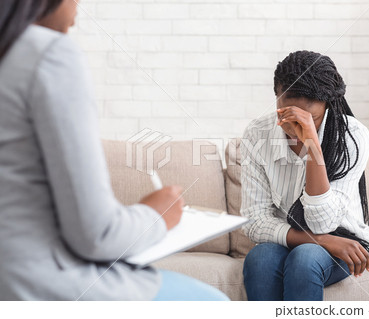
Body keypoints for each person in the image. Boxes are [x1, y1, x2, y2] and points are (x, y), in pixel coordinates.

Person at [0, 0, 228, 301]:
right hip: (36, 286)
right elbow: (96, 236)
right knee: (213, 302)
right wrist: (157, 214)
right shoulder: (48, 53)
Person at [240, 50, 369, 301]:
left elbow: (323, 223)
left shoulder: (353, 136)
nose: (294, 130)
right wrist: (323, 241)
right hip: (290, 237)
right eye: (286, 116)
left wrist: (312, 145)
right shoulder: (256, 134)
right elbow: (254, 220)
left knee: (305, 259)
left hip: (343, 239)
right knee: (260, 258)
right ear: (277, 98)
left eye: (310, 119)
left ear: (328, 106)